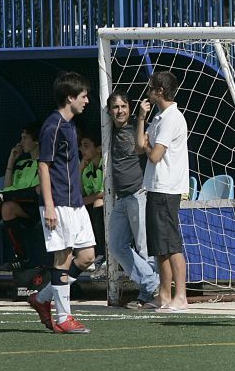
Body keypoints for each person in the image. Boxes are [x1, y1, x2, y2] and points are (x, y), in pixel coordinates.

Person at [28, 72, 95, 334]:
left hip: (75, 203)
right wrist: (50, 205)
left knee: (87, 256)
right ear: (70, 97)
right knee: (63, 258)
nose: (87, 100)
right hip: (58, 202)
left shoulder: (70, 126)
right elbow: (43, 166)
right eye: (83, 96)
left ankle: (41, 298)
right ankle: (64, 317)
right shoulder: (52, 126)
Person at [137, 71, 189, 312]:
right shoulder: (158, 117)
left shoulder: (172, 118)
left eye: (150, 88)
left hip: (167, 188)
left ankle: (181, 296)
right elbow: (141, 147)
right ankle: (164, 294)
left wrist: (148, 145)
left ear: (159, 91)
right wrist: (141, 118)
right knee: (159, 245)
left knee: (171, 244)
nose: (147, 91)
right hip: (155, 187)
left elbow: (155, 155)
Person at [106, 91, 159, 308]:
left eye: (123, 107)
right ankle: (151, 282)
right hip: (121, 197)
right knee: (117, 245)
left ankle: (148, 294)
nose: (120, 111)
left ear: (129, 108)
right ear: (109, 111)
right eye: (116, 107)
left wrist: (141, 118)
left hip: (138, 194)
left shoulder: (135, 129)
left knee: (144, 248)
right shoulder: (108, 131)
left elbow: (140, 147)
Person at [0, 122, 42, 273]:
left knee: (8, 207)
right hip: (10, 200)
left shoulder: (45, 163)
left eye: (25, 138)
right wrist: (11, 161)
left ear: (36, 141)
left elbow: (36, 192)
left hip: (32, 208)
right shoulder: (22, 163)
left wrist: (4, 195)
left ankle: (21, 257)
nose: (21, 142)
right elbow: (7, 188)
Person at [79, 132, 106, 271]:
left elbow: (105, 192)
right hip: (93, 206)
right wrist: (79, 169)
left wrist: (81, 201)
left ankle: (103, 254)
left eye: (86, 146)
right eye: (81, 146)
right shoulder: (87, 168)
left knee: (97, 203)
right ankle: (84, 255)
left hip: (114, 205)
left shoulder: (106, 164)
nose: (81, 149)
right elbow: (82, 192)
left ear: (99, 149)